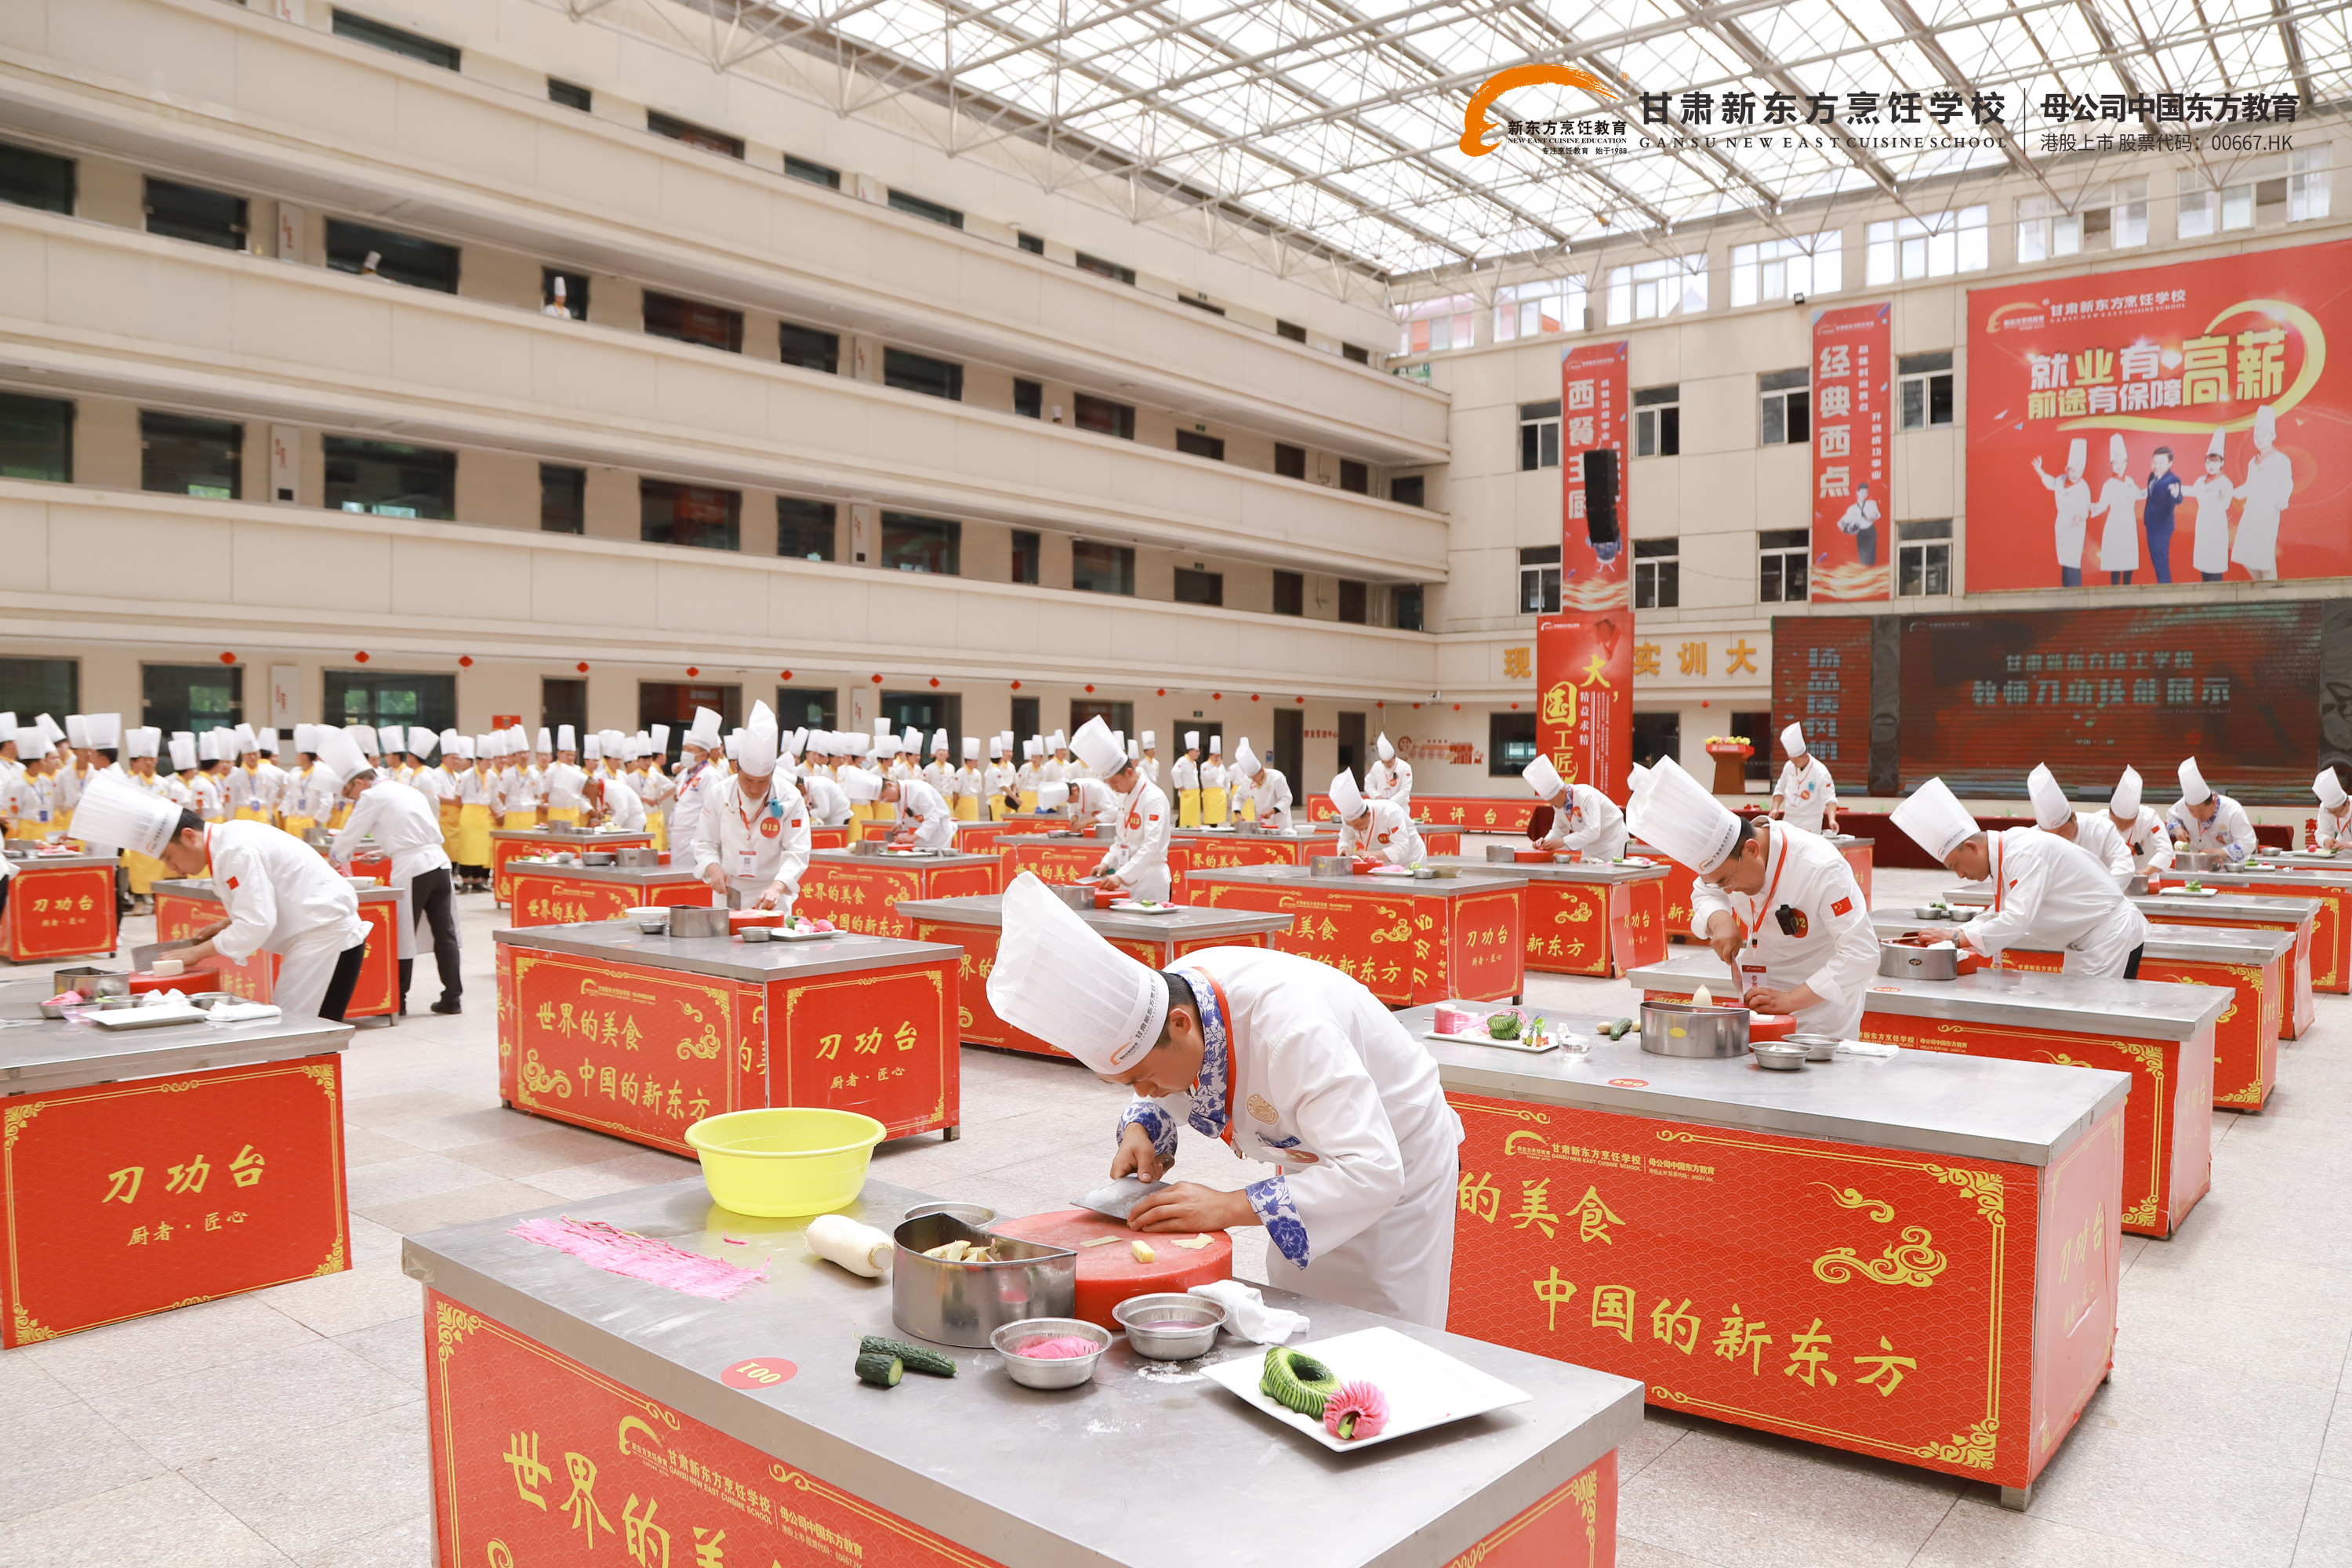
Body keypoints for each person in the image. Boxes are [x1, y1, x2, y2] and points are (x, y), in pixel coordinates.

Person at [988, 871, 1464, 1327]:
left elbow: (1373, 1173)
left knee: (1386, 1323)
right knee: (1306, 1304)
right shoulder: (1174, 997)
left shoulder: (1292, 1033)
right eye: (1128, 1083)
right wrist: (1143, 1124)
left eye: (1146, 1078)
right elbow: (1170, 1072)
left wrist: (1226, 1206)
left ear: (1180, 1025)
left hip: (1397, 1155)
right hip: (1312, 1153)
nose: (1145, 1092)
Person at [79, 770, 370, 1020]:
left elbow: (257, 924)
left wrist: (193, 953)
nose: (172, 867)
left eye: (169, 856)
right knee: (296, 1035)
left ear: (190, 836)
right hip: (318, 940)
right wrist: (227, 925)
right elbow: (269, 900)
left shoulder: (233, 848)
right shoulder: (228, 841)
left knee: (300, 1037)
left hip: (325, 941)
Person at [1632, 756, 1876, 1035]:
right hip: (1759, 1002)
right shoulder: (1729, 866)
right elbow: (1704, 890)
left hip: (1818, 1009)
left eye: (1728, 881)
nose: (1728, 890)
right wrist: (1720, 919)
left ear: (1751, 849)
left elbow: (1862, 953)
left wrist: (1792, 1000)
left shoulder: (1821, 868)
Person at [1892, 776, 2148, 977]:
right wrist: (1957, 931)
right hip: (2090, 940)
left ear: (1972, 847)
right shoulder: (2009, 851)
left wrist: (1958, 938)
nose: (1960, 874)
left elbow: (2016, 918)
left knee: (2095, 1023)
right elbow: (2000, 911)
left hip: (2110, 938)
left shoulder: (2024, 852)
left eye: (1956, 865)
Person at [321, 728, 461, 1015]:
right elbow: (418, 832)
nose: (352, 799)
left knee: (403, 935)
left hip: (413, 869)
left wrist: (331, 861)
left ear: (359, 783)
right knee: (444, 933)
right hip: (439, 863)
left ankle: (398, 1001)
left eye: (349, 793)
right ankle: (452, 997)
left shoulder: (372, 797)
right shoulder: (404, 788)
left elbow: (349, 836)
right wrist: (386, 851)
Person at [689, 702, 811, 911]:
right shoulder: (720, 793)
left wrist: (778, 886)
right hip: (728, 889)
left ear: (772, 774)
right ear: (737, 770)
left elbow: (798, 851)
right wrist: (712, 866)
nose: (754, 789)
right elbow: (704, 842)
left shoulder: (790, 798)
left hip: (771, 893)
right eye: (748, 781)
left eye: (762, 782)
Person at [1071, 717, 1173, 902]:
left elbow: (1150, 846)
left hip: (1150, 881)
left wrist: (1121, 876)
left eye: (1115, 782)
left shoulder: (1153, 798)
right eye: (1109, 784)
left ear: (1129, 772)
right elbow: (1120, 840)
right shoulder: (1125, 796)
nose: (1113, 788)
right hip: (1126, 876)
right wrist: (1106, 862)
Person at [2028, 764, 2132, 886]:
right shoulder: (2032, 839)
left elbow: (2124, 865)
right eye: (2050, 835)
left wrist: (2101, 892)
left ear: (2074, 817)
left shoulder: (2101, 828)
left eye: (2061, 832)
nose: (2057, 839)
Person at [1521, 753, 1625, 860]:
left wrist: (1563, 842)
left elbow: (1593, 830)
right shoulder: (1559, 803)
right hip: (1590, 842)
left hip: (1611, 838)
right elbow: (1559, 830)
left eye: (1552, 800)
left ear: (1562, 792)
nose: (1551, 805)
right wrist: (1545, 842)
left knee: (1607, 871)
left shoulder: (1586, 796)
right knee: (1589, 870)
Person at [2231, 405, 2291, 582]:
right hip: (2251, 511)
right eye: (2257, 436)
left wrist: (2283, 498)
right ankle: (2261, 585)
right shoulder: (2253, 461)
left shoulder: (2281, 460)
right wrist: (2231, 494)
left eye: (2264, 435)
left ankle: (2270, 589)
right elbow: (2250, 485)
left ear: (2272, 436)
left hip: (2268, 512)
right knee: (2245, 552)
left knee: (2264, 553)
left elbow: (2287, 482)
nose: (2260, 439)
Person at [2167, 757, 2256, 865]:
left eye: (2201, 811)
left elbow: (2248, 843)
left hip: (2229, 869)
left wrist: (2219, 852)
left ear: (2213, 802)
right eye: (2191, 811)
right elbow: (2172, 817)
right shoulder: (2183, 804)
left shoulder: (2232, 811)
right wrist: (2178, 829)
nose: (2196, 816)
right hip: (2195, 868)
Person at [1330, 769, 1425, 869]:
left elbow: (1402, 848)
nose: (1356, 829)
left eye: (1359, 825)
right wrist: (1344, 848)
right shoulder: (1349, 820)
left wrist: (1372, 854)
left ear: (1368, 814)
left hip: (1410, 859)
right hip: (1379, 861)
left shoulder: (1390, 812)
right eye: (1352, 826)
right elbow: (1346, 837)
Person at [2033, 437, 2093, 587]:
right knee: (2064, 563)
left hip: (2075, 528)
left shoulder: (2083, 487)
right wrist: (2039, 470)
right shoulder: (2060, 480)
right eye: (2073, 471)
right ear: (2067, 469)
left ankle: (2074, 590)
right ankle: (2066, 588)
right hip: (2062, 525)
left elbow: (2085, 508)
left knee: (2072, 563)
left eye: (2080, 472)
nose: (2076, 475)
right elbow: (2051, 483)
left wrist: (2080, 517)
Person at [1770, 723, 1838, 835]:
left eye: (1796, 761)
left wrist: (1832, 819)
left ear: (1806, 756)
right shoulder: (1789, 766)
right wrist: (1775, 808)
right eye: (1792, 760)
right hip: (1789, 819)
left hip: (1810, 821)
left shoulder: (1821, 772)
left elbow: (1830, 798)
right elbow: (1780, 788)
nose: (1794, 764)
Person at [2091, 434, 2140, 585]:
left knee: (2128, 559)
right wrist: (2091, 508)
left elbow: (2140, 494)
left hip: (2129, 524)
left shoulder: (2130, 481)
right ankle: (2114, 591)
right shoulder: (2108, 484)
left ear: (2126, 463)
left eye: (2122, 462)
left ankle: (2128, 589)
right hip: (2115, 524)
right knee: (2115, 561)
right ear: (2111, 465)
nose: (2119, 466)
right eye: (2116, 463)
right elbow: (2102, 505)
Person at [2105, 766, 2173, 877]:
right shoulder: (2098, 821)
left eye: (2129, 822)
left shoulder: (2148, 818)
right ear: (2110, 813)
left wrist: (2145, 872)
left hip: (2143, 883)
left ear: (2137, 816)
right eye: (2119, 822)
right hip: (2108, 881)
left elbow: (2165, 850)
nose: (2123, 827)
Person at [2186, 429, 2234, 583]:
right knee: (2204, 566)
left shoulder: (2226, 483)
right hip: (2203, 527)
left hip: (2216, 528)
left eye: (2215, 462)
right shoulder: (2201, 481)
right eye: (2209, 462)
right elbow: (2192, 491)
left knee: (2215, 567)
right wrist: (2176, 489)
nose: (2211, 465)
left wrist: (2219, 499)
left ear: (2222, 463)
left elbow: (2224, 505)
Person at [2140, 444, 2183, 584]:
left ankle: (2166, 592)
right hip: (2151, 525)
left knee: (2161, 564)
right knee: (2156, 562)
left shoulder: (2172, 480)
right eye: (2154, 462)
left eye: (2161, 463)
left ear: (2170, 463)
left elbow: (2177, 498)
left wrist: (2175, 494)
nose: (2156, 466)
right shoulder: (2152, 476)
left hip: (2162, 528)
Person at [1235, 739, 1292, 831]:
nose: (1253, 781)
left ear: (1261, 771)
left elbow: (1287, 798)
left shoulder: (1277, 777)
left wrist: (1272, 811)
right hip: (1264, 823)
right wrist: (1238, 814)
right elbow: (1239, 797)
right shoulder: (1248, 780)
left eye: (1255, 777)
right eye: (1251, 778)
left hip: (1280, 822)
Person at [1837, 480, 1882, 568]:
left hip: (1870, 531)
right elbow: (1840, 522)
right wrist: (1846, 530)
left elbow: (1876, 515)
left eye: (1866, 492)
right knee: (1862, 559)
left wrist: (1867, 517)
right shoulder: (1852, 509)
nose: (1864, 494)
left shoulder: (1871, 504)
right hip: (1861, 533)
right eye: (1862, 492)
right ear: (1857, 493)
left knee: (1871, 558)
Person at [1364, 733, 1414, 809]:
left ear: (1395, 756)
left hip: (1400, 807)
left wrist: (1391, 802)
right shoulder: (1377, 766)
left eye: (1390, 762)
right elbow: (1368, 785)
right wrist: (1377, 796)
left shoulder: (1405, 767)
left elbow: (1405, 790)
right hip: (1381, 807)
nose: (1388, 765)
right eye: (1385, 763)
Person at [2314, 765, 2352, 851]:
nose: (2335, 815)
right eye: (2331, 812)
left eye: (2338, 811)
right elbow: (2321, 833)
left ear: (2348, 803)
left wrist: (2350, 844)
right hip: (2341, 855)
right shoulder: (2325, 808)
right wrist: (2326, 840)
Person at [1171, 732, 1203, 829]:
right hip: (1187, 792)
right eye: (1196, 751)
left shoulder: (1193, 762)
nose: (1198, 753)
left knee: (1192, 814)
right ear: (1190, 751)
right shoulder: (1183, 760)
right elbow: (1175, 772)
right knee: (1184, 814)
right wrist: (1180, 786)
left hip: (1194, 793)